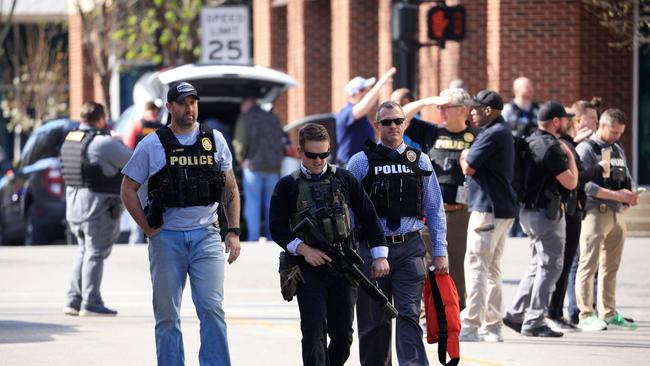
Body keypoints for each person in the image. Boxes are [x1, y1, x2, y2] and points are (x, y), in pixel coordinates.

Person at [120, 81, 241, 365]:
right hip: (167, 239)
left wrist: (233, 232)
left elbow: (231, 189)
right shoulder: (152, 144)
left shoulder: (215, 140)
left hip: (206, 236)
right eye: (183, 102)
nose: (190, 108)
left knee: (212, 309)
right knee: (167, 316)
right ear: (169, 107)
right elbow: (128, 188)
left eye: (193, 102)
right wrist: (147, 229)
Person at [269, 123, 389, 366]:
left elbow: (369, 215)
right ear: (300, 151)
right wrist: (303, 249)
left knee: (343, 336)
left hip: (343, 267)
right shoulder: (287, 185)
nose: (318, 160)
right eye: (312, 155)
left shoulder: (345, 179)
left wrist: (380, 254)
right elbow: (277, 227)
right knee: (313, 333)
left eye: (324, 154)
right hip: (308, 269)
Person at [347, 101, 448, 365]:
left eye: (398, 121)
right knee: (373, 321)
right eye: (387, 122)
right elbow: (347, 210)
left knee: (409, 315)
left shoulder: (421, 160)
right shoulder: (360, 162)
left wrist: (440, 252)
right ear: (376, 125)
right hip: (369, 250)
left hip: (410, 248)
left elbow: (435, 209)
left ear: (405, 123)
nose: (393, 126)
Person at [502, 101, 579, 338]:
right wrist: (570, 156)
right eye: (565, 118)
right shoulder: (553, 148)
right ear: (556, 121)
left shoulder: (529, 139)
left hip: (527, 212)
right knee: (550, 267)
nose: (567, 122)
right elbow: (571, 182)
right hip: (546, 214)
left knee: (538, 265)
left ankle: (515, 313)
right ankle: (535, 319)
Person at [402, 88, 480, 312]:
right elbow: (402, 117)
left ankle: (457, 312)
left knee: (459, 266)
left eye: (447, 107)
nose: (441, 111)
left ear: (463, 110)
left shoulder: (476, 136)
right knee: (429, 264)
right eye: (440, 107)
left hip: (463, 211)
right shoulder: (432, 132)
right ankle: (430, 313)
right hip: (433, 211)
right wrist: (427, 100)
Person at [61, 102, 133, 316]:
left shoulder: (71, 139)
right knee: (95, 253)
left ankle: (73, 300)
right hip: (97, 209)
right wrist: (118, 141)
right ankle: (91, 302)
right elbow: (133, 159)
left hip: (74, 208)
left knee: (84, 251)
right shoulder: (103, 143)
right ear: (101, 119)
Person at [458, 90, 516, 342]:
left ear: (488, 111)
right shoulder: (501, 131)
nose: (472, 112)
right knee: (491, 269)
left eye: (476, 108)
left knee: (476, 267)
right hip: (501, 209)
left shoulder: (493, 133)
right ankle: (492, 326)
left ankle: (471, 325)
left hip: (487, 210)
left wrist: (462, 154)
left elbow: (468, 166)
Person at [575, 108, 640, 331]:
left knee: (611, 266)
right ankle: (585, 314)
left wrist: (629, 195)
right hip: (596, 211)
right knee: (588, 264)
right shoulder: (586, 148)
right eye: (613, 132)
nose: (616, 137)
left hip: (617, 213)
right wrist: (615, 196)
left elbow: (626, 175)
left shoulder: (617, 148)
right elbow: (584, 184)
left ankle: (609, 312)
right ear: (601, 125)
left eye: (620, 133)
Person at [549, 100, 603, 329]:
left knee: (569, 261)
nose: (592, 123)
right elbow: (576, 179)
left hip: (574, 209)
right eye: (587, 119)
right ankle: (555, 312)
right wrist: (600, 169)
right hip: (566, 210)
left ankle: (559, 312)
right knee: (562, 265)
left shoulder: (571, 143)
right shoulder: (565, 145)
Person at [233, 97, 284, 241]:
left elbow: (240, 142)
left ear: (246, 103)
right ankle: (272, 237)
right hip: (273, 167)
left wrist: (240, 159)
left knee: (253, 205)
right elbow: (281, 139)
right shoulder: (273, 117)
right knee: (271, 205)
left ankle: (253, 238)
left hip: (253, 167)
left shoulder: (245, 118)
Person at [335, 68, 396, 165]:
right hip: (348, 166)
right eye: (368, 90)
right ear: (358, 93)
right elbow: (365, 105)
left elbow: (366, 142)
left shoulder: (360, 117)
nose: (370, 92)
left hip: (359, 165)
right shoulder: (346, 112)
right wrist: (381, 83)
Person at [503, 77, 540, 238]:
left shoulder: (538, 110)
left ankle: (529, 228)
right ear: (516, 88)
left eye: (531, 85)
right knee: (513, 192)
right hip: (514, 160)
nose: (530, 88)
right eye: (527, 86)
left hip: (533, 160)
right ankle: (513, 229)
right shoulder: (508, 110)